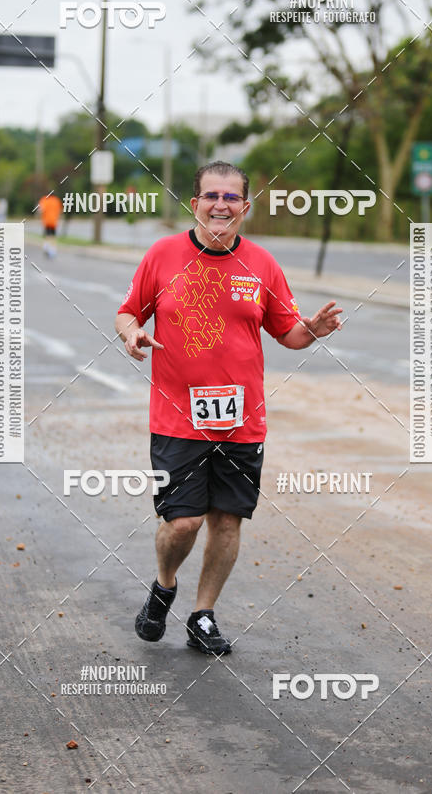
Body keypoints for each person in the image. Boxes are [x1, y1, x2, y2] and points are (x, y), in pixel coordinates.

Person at [115, 161, 342, 655]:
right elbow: (129, 310)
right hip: (177, 415)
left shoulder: (261, 265)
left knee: (226, 521)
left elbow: (288, 333)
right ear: (194, 203)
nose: (221, 204)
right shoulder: (163, 254)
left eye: (232, 197)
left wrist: (314, 332)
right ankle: (164, 584)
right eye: (211, 195)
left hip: (242, 421)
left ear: (245, 206)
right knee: (184, 522)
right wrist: (132, 332)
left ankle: (203, 616)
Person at [38, 193, 62, 258]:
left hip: (47, 221)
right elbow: (59, 211)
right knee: (53, 236)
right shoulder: (56, 200)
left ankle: (46, 248)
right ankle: (52, 250)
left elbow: (41, 210)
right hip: (54, 221)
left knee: (47, 235)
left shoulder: (44, 200)